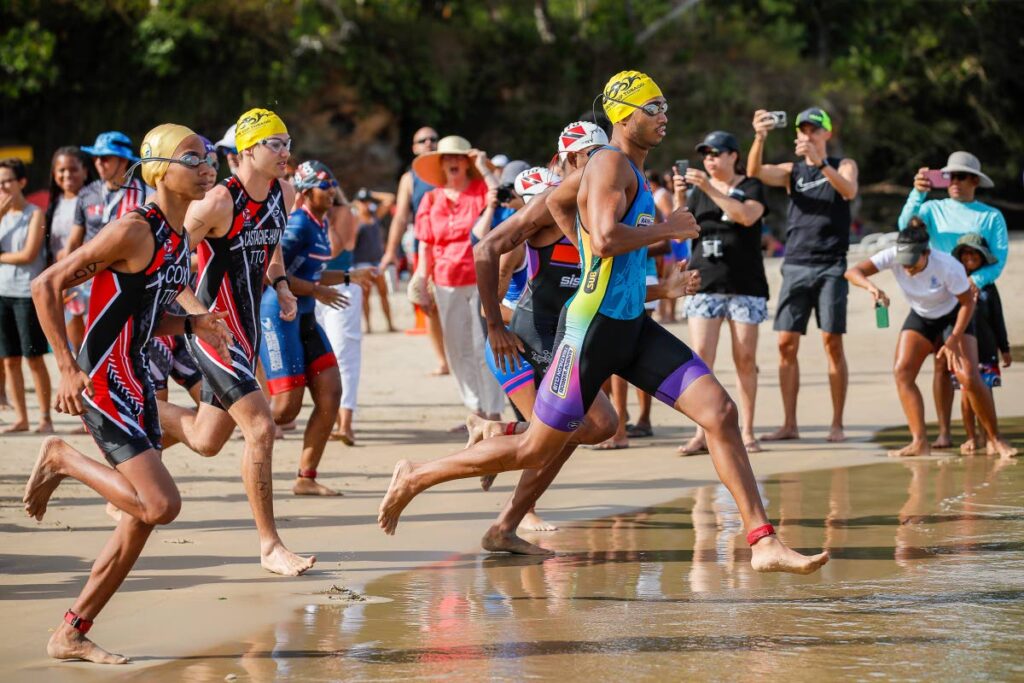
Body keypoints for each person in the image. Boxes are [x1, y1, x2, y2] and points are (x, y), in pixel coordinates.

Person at [380, 71, 829, 576]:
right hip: (589, 333)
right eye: (653, 108)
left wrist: (587, 239)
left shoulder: (612, 168)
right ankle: (417, 475)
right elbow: (604, 239)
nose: (664, 117)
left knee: (720, 413)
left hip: (630, 327)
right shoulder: (611, 163)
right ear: (622, 115)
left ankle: (763, 541)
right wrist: (668, 229)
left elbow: (560, 206)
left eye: (664, 106)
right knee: (535, 449)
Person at [23, 123, 230, 664]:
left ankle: (72, 631)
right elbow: (45, 284)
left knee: (138, 522)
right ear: (161, 169)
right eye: (194, 157)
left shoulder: (177, 233)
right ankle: (61, 458)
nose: (208, 163)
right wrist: (66, 368)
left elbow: (142, 313)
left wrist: (193, 326)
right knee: (162, 505)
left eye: (209, 154)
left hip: (136, 378)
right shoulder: (135, 229)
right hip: (102, 382)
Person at [157, 108, 316, 576]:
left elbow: (272, 246)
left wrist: (282, 286)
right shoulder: (217, 203)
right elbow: (167, 263)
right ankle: (270, 546)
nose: (286, 152)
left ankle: (135, 412)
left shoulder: (284, 193)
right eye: (275, 144)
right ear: (247, 150)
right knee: (262, 428)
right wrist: (198, 317)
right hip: (214, 335)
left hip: (244, 334)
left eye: (287, 141)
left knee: (206, 440)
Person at [844, 224, 1016, 459]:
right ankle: (919, 441)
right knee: (902, 372)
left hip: (954, 314)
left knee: (968, 375)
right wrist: (872, 287)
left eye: (912, 262)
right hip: (922, 315)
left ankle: (996, 439)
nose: (906, 268)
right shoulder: (894, 255)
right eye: (903, 261)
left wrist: (954, 338)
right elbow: (853, 272)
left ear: (927, 253)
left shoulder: (948, 266)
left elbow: (968, 303)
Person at [748, 107, 858, 443]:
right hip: (795, 262)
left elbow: (849, 191)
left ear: (827, 133)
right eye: (802, 130)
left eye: (813, 130)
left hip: (830, 263)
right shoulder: (791, 171)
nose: (807, 135)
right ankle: (789, 424)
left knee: (832, 343)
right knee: (785, 344)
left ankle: (837, 424)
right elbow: (754, 172)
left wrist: (821, 162)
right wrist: (759, 136)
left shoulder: (843, 165)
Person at [259, 160, 361, 496]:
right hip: (278, 314)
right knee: (286, 408)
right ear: (304, 192)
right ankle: (221, 417)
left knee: (331, 393)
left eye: (332, 183)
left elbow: (314, 276)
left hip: (304, 315)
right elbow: (272, 272)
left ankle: (306, 476)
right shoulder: (299, 224)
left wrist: (349, 277)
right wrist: (317, 291)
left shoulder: (320, 223)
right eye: (324, 185)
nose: (331, 190)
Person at [898, 151, 1009, 448]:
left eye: (961, 176)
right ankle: (945, 432)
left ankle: (988, 436)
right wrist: (917, 193)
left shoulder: (990, 215)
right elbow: (906, 229)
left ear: (975, 180)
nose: (954, 182)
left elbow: (999, 260)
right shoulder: (932, 208)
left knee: (971, 369)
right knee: (938, 365)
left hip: (970, 296)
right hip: (933, 293)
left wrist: (975, 281)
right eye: (949, 176)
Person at [676, 131, 770, 455]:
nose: (709, 160)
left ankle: (747, 431)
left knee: (745, 358)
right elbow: (682, 230)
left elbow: (747, 216)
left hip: (745, 285)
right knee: (701, 358)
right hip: (705, 282)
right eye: (705, 155)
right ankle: (701, 432)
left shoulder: (751, 186)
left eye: (716, 153)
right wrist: (679, 199)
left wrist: (708, 187)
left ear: (734, 156)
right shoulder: (698, 191)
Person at [409, 135, 505, 422]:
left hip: (479, 277)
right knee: (456, 347)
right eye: (446, 158)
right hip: (444, 279)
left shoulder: (480, 190)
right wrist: (419, 279)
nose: (452, 161)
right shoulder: (431, 198)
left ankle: (494, 410)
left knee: (483, 345)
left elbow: (499, 199)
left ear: (466, 162)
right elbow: (425, 244)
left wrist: (484, 168)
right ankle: (474, 409)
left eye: (458, 157)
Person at [379, 127, 449, 375]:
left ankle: (459, 354)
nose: (429, 143)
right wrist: (390, 251)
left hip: (454, 245)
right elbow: (400, 218)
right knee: (428, 305)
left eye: (433, 139)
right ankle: (443, 360)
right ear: (414, 147)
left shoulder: (451, 169)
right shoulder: (409, 178)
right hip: (424, 246)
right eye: (423, 140)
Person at [0, 158, 52, 434]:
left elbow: (29, 254)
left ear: (21, 182)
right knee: (9, 359)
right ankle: (21, 417)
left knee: (33, 357)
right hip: (2, 292)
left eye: (7, 180)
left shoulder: (34, 214)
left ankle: (45, 417)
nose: (3, 187)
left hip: (25, 293)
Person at [952, 233, 1011, 452]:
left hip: (987, 348)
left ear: (983, 257)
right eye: (965, 253)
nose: (970, 256)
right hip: (963, 350)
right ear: (959, 257)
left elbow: (998, 318)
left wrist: (1004, 348)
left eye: (975, 253)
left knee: (986, 391)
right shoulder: (954, 285)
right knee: (967, 392)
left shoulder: (989, 287)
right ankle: (971, 436)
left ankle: (989, 436)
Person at [43, 147, 91, 353]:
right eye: (61, 170)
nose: (67, 175)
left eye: (73, 169)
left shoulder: (94, 201)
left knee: (95, 342)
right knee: (77, 347)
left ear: (85, 172)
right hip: (65, 284)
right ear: (54, 174)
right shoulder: (53, 206)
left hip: (90, 279)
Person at [352, 188, 396, 332]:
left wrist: (372, 193)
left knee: (384, 293)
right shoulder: (355, 220)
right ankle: (369, 326)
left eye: (367, 201)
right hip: (362, 262)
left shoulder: (375, 215)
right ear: (357, 203)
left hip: (377, 261)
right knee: (366, 296)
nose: (366, 204)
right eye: (363, 201)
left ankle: (390, 325)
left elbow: (390, 198)